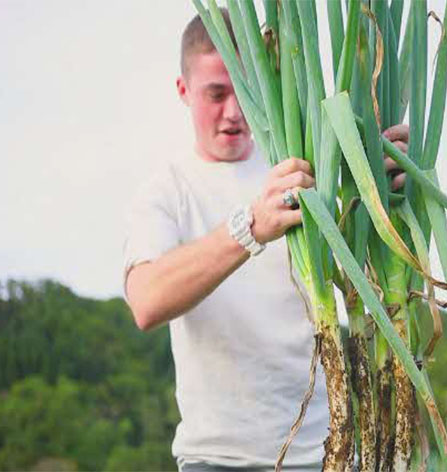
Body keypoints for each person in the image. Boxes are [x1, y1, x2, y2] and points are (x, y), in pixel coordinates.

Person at [123, 10, 409, 471]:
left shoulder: (304, 164)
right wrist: (251, 227)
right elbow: (147, 300)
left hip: (326, 454)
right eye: (216, 94)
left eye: (243, 91)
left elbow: (362, 278)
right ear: (183, 91)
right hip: (217, 460)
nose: (233, 112)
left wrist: (381, 185)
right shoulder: (167, 191)